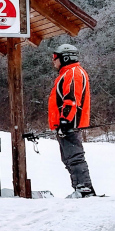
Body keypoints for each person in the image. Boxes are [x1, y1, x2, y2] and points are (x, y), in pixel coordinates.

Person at [49, 41, 95, 197]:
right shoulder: (67, 73)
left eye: (55, 57)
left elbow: (71, 99)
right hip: (66, 123)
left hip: (70, 123)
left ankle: (84, 188)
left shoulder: (73, 73)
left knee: (74, 157)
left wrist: (65, 120)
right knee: (69, 158)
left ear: (66, 58)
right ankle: (80, 187)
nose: (53, 61)